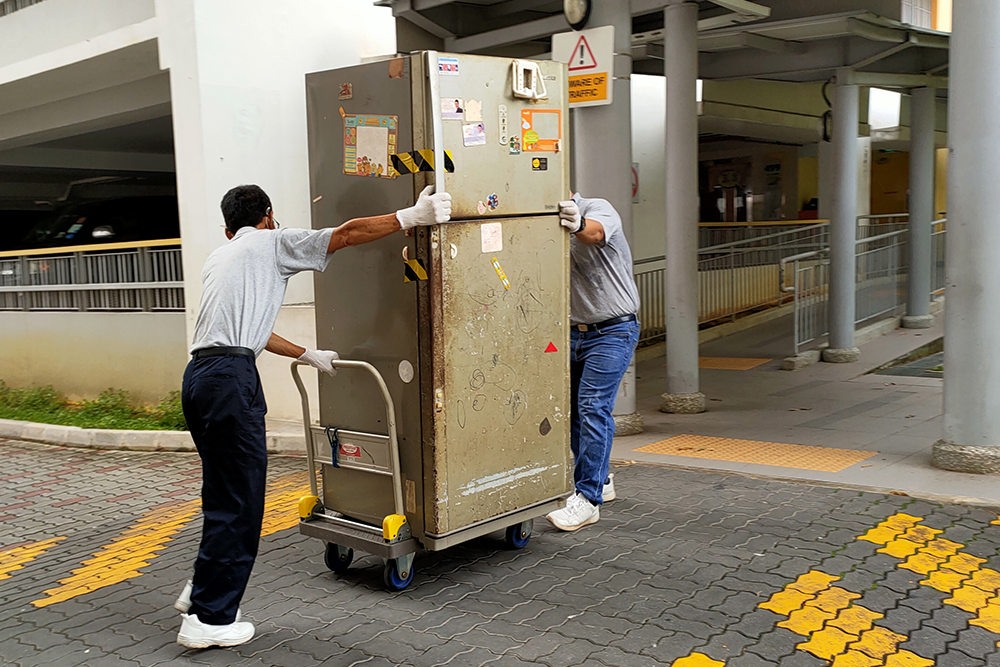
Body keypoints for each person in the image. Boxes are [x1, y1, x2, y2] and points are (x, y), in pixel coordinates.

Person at [173, 184, 451, 649]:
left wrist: (306, 353)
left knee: (222, 494)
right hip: (229, 380)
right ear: (268, 216)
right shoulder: (271, 241)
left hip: (200, 377)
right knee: (240, 502)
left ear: (228, 228)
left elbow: (252, 329)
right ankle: (210, 620)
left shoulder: (220, 258)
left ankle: (202, 592)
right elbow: (344, 234)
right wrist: (412, 216)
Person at [545, 194, 640, 532]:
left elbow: (595, 233)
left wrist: (577, 223)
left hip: (614, 329)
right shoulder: (542, 223)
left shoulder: (597, 208)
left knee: (592, 407)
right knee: (572, 413)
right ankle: (600, 480)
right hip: (573, 332)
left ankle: (587, 499)